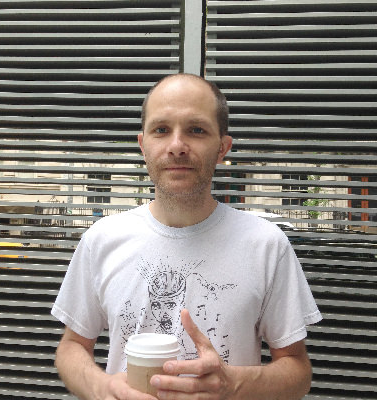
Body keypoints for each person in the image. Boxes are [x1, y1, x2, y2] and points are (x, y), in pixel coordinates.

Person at [52, 73, 322, 400]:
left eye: (196, 130)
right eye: (161, 130)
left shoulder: (265, 244)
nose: (177, 146)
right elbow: (71, 347)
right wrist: (102, 388)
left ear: (222, 148)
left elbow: (297, 370)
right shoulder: (101, 240)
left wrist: (234, 384)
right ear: (143, 145)